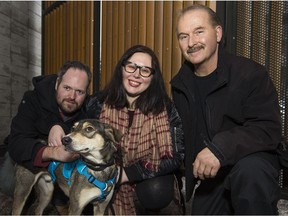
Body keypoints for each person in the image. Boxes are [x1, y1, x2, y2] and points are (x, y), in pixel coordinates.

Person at [170, 4, 282, 215]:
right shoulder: (180, 85)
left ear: (218, 33)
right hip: (215, 175)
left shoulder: (250, 74)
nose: (191, 42)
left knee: (250, 174)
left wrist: (219, 149)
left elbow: (268, 129)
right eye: (183, 36)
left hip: (251, 165)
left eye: (199, 32)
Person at [49, 45, 185, 215]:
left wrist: (126, 174)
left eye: (145, 70)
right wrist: (57, 125)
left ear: (152, 77)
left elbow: (176, 156)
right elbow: (75, 118)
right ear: (122, 68)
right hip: (102, 171)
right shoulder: (99, 102)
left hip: (142, 174)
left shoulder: (165, 108)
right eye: (131, 66)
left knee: (156, 191)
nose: (136, 74)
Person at [7, 60, 92, 214]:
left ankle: (57, 199)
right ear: (56, 84)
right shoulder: (33, 99)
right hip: (26, 158)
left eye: (80, 92)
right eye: (67, 88)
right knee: (8, 184)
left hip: (61, 171)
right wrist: (53, 151)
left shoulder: (87, 111)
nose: (72, 96)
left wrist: (61, 127)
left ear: (86, 93)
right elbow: (17, 143)